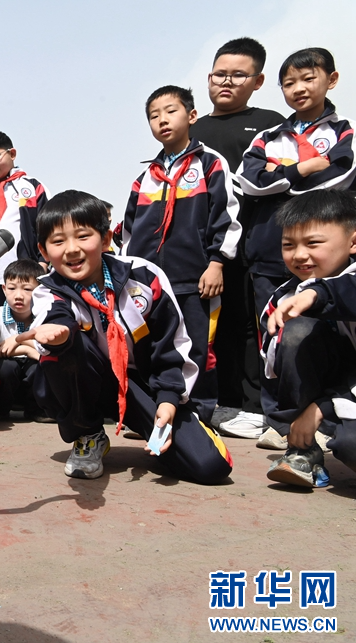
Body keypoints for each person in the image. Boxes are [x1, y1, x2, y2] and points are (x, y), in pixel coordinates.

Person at [28, 190, 233, 484]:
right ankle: (88, 434)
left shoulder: (144, 276)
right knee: (64, 346)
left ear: (106, 238)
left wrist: (169, 398)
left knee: (209, 467)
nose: (72, 249)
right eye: (58, 242)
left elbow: (172, 344)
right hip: (94, 384)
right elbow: (56, 317)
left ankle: (176, 426)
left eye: (83, 236)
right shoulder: (49, 290)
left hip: (144, 386)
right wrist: (56, 334)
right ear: (44, 251)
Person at [239, 47, 356, 441]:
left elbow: (338, 178)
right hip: (270, 251)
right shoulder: (268, 135)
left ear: (331, 80)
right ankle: (278, 419)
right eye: (289, 83)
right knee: (273, 332)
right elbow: (249, 181)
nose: (299, 89)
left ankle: (326, 416)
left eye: (308, 79)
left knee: (327, 329)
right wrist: (302, 168)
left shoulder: (342, 131)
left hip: (327, 260)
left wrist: (278, 174)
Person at [121, 85, 241, 426]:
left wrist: (217, 262)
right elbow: (130, 232)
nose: (162, 120)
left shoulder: (210, 163)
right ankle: (153, 412)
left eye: (170, 111)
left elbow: (226, 217)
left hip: (194, 276)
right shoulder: (144, 178)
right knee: (151, 344)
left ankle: (198, 413)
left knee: (199, 345)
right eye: (153, 116)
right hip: (148, 283)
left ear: (191, 116)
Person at [189, 37, 286, 438]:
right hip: (206, 247)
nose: (226, 82)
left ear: (258, 80)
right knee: (217, 326)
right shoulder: (194, 128)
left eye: (238, 75)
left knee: (253, 322)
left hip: (255, 242)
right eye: (219, 74)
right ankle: (224, 402)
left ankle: (255, 407)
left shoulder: (269, 122)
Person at [261, 191, 356, 487]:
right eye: (288, 245)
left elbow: (346, 291)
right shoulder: (285, 298)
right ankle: (303, 451)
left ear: (353, 241)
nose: (299, 255)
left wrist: (324, 407)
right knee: (297, 330)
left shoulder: (317, 292)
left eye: (313, 243)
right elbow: (274, 372)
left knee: (351, 445)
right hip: (342, 395)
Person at [0, 131, 49, 307]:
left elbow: (47, 227)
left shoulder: (32, 187)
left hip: (23, 277)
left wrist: (43, 262)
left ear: (12, 153)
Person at [0, 259, 50, 422]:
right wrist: (29, 349)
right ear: (4, 289)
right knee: (7, 367)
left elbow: (47, 349)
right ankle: (0, 410)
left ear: (40, 291)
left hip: (30, 378)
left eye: (27, 289)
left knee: (40, 367)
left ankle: (37, 410)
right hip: (6, 379)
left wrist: (17, 341)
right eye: (11, 288)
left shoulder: (44, 316)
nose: (18, 295)